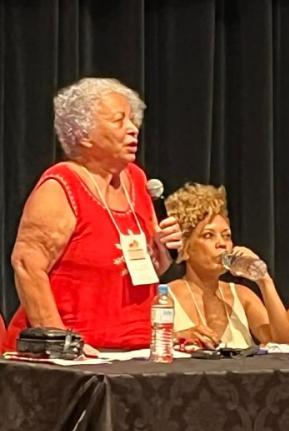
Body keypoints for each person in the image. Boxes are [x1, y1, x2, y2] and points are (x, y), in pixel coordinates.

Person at [7, 78, 182, 351]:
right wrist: (60, 342)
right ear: (83, 134)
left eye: (132, 120)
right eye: (119, 121)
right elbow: (27, 266)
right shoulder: (62, 184)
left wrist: (162, 252)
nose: (133, 129)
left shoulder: (137, 180)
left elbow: (134, 272)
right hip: (78, 353)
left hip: (136, 350)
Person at [163, 183, 289, 349]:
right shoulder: (166, 297)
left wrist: (264, 280)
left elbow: (285, 344)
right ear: (185, 248)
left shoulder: (242, 295)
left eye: (226, 236)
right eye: (208, 235)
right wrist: (176, 337)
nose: (222, 244)